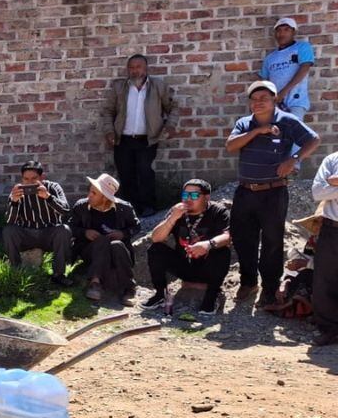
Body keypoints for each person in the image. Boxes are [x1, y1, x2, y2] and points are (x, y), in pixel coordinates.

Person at [225, 80, 320, 306]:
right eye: (254, 99)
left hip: (273, 192)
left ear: (274, 99)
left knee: (272, 242)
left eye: (264, 98)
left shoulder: (287, 121)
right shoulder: (244, 123)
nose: (258, 103)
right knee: (242, 239)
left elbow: (313, 140)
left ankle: (269, 287)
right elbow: (230, 146)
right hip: (245, 191)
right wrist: (258, 130)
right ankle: (248, 282)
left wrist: (294, 160)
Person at [141, 179, 232, 316]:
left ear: (206, 197)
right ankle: (160, 294)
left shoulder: (218, 211)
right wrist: (172, 218)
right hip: (184, 265)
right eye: (185, 195)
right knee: (156, 249)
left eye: (194, 195)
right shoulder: (177, 211)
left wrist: (208, 244)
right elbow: (156, 238)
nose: (188, 199)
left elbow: (228, 236)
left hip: (208, 266)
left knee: (222, 251)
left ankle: (211, 298)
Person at [101, 54, 176, 216]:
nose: (135, 71)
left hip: (147, 139)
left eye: (138, 67)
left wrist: (170, 126)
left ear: (145, 68)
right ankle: (129, 209)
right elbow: (108, 111)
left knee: (145, 172)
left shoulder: (158, 86)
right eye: (132, 68)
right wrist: (109, 130)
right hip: (123, 139)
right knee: (125, 174)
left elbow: (172, 107)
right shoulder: (119, 88)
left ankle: (148, 207)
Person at [71, 174, 140, 302]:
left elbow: (136, 226)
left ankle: (129, 288)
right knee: (102, 240)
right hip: (90, 251)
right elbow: (71, 227)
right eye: (90, 191)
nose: (89, 195)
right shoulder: (81, 207)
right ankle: (95, 283)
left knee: (116, 244)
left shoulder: (124, 208)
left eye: (94, 193)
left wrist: (122, 233)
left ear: (105, 198)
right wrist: (85, 232)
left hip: (117, 252)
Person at [2, 160, 73, 286]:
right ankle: (16, 271)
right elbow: (9, 221)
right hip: (26, 235)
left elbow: (66, 211)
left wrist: (48, 197)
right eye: (26, 179)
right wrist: (14, 202)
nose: (29, 183)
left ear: (42, 177)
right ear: (22, 179)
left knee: (64, 229)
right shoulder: (17, 191)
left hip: (49, 234)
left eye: (34, 179)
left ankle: (58, 274)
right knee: (8, 231)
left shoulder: (53, 187)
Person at [261, 17, 315, 122]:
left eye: (286, 30)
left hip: (296, 102)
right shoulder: (270, 58)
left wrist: (283, 93)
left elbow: (304, 69)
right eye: (279, 30)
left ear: (294, 32)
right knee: (276, 135)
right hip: (276, 104)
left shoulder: (302, 47)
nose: (282, 34)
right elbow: (265, 81)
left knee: (292, 133)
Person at [310, 150, 338, 346]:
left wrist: (335, 183)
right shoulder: (332, 159)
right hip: (332, 229)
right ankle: (329, 329)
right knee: (325, 281)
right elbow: (318, 192)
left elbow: (327, 188)